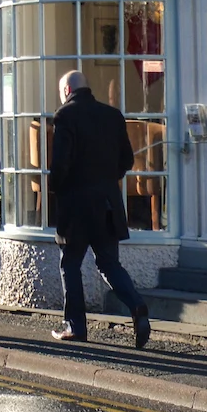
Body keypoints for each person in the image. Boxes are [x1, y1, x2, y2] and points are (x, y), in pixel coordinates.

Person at [47, 70, 152, 348]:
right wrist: (106, 180)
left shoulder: (64, 116)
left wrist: (56, 188)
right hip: (107, 203)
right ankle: (137, 306)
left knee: (70, 263)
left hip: (76, 206)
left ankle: (75, 326)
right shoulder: (112, 115)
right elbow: (127, 160)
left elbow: (60, 165)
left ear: (67, 90)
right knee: (108, 263)